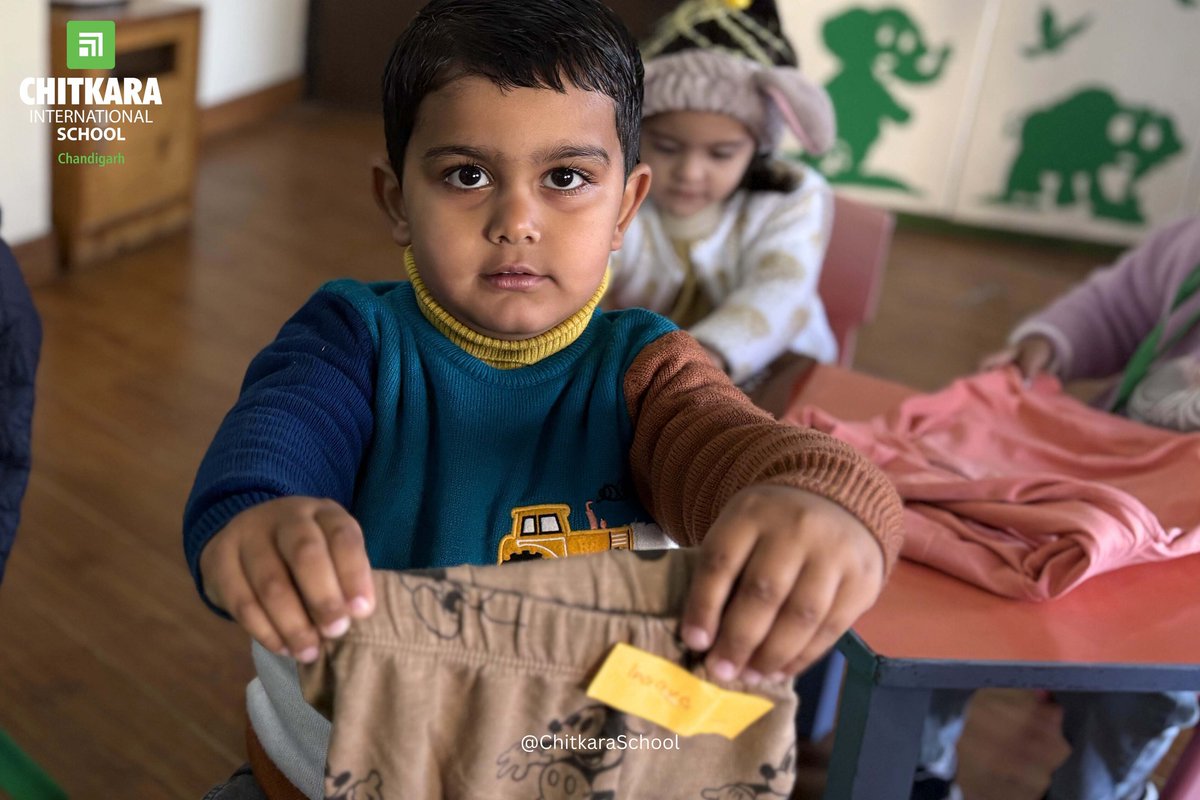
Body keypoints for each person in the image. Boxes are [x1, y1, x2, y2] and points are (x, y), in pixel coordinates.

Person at [183, 1, 904, 797]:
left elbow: (733, 443)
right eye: (467, 175)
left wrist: (821, 498)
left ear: (626, 206)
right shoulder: (351, 340)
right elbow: (273, 443)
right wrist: (256, 519)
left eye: (565, 178)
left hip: (577, 762)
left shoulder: (648, 369)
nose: (516, 221)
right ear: (395, 200)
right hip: (339, 763)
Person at [914, 215, 1200, 800]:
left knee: (1147, 683)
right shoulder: (1191, 240)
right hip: (1107, 475)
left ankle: (1093, 791)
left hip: (1184, 554)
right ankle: (920, 767)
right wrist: (1048, 344)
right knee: (957, 585)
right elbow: (1116, 306)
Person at [607, 0, 840, 391]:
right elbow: (592, 272)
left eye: (721, 154)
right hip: (652, 380)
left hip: (779, 372)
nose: (690, 173)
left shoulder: (794, 196)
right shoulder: (619, 191)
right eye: (665, 147)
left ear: (758, 149)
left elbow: (779, 290)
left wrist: (704, 360)